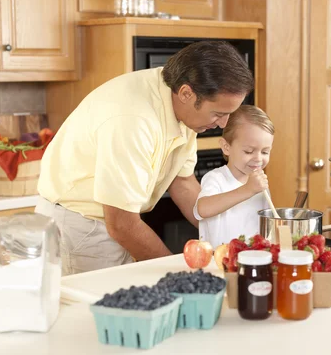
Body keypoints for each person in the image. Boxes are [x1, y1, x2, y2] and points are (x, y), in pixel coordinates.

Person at [34, 40, 254, 275]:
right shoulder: (133, 120)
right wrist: (178, 274)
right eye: (219, 114)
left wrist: (228, 239)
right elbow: (121, 225)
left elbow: (183, 183)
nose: (223, 124)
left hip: (114, 223)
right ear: (186, 93)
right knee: (96, 309)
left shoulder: (180, 103)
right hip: (80, 229)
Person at [193, 105, 275, 247]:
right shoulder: (216, 178)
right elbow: (202, 209)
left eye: (265, 152)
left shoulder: (260, 185)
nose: (258, 159)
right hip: (218, 261)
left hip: (253, 259)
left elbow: (268, 227)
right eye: (249, 151)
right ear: (226, 147)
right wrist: (247, 190)